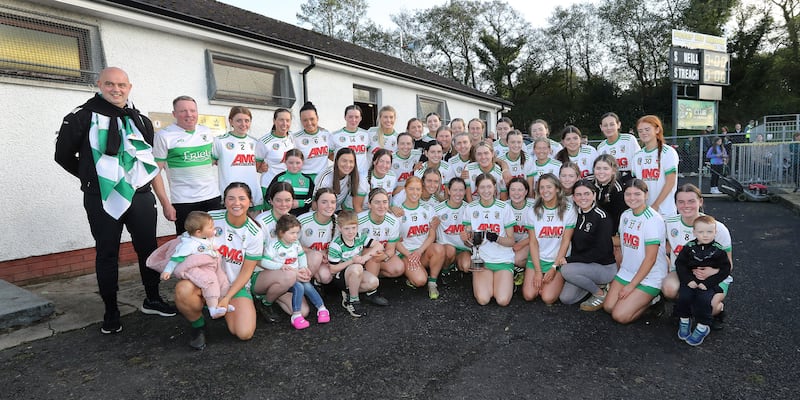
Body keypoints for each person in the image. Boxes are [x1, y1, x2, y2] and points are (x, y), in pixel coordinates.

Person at [54, 67, 176, 334]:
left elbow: (149, 162)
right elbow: (63, 156)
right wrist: (93, 179)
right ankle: (111, 310)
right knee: (107, 253)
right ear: (99, 84)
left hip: (140, 196)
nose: (116, 89)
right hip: (101, 197)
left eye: (122, 85)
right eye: (110, 84)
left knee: (147, 249)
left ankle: (153, 299)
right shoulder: (81, 117)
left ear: (129, 87)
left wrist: (163, 199)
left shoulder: (140, 120)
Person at [174, 182, 263, 349]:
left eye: (242, 198)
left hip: (234, 286)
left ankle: (229, 305)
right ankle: (198, 325)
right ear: (224, 201)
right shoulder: (211, 218)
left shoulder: (255, 233)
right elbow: (187, 241)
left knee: (244, 333)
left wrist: (228, 297)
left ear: (250, 201)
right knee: (183, 290)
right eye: (231, 198)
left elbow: (247, 271)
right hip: (205, 280)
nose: (236, 203)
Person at [662, 184, 733, 330]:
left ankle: (717, 312)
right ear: (675, 204)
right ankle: (682, 309)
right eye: (681, 202)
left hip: (714, 275)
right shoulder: (669, 223)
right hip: (684, 272)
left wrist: (711, 272)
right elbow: (662, 246)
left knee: (710, 306)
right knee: (669, 288)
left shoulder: (717, 228)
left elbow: (729, 264)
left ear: (700, 202)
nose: (686, 206)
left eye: (691, 201)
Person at [603, 179, 668, 324]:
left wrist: (631, 286)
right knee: (608, 307)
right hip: (628, 270)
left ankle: (654, 300)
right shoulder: (626, 215)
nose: (632, 198)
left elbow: (650, 259)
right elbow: (623, 241)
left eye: (637, 194)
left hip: (650, 274)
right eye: (628, 194)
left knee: (620, 316)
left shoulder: (652, 219)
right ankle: (641, 300)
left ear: (646, 195)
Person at [154, 95, 220, 234]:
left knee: (216, 239)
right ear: (174, 114)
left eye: (192, 110)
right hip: (184, 201)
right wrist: (165, 204)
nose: (189, 114)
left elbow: (215, 160)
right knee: (188, 243)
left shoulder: (206, 132)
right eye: (183, 111)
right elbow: (154, 173)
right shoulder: (164, 136)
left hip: (212, 198)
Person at [155, 211, 232, 319]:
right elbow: (176, 258)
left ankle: (223, 303)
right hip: (194, 268)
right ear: (198, 232)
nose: (213, 229)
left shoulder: (205, 238)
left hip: (209, 267)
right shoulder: (189, 244)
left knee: (223, 280)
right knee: (210, 282)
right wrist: (167, 270)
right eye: (210, 227)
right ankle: (213, 309)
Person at [261, 214, 330, 330]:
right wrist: (280, 266)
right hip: (283, 278)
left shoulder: (296, 244)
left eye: (297, 233)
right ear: (282, 233)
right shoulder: (274, 246)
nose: (296, 236)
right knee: (299, 287)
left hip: (296, 274)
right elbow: (264, 262)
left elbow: (301, 255)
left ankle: (321, 308)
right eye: (292, 233)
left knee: (307, 285)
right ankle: (296, 315)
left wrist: (303, 267)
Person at [252, 182, 307, 322]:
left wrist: (303, 269)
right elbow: (256, 258)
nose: (283, 204)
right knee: (288, 276)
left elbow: (297, 249)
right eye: (278, 200)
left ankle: (276, 292)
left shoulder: (291, 220)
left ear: (293, 201)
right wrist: (292, 272)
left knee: (304, 312)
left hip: (285, 272)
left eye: (288, 200)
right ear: (270, 200)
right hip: (261, 273)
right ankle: (265, 302)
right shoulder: (261, 222)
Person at [558, 180, 617, 311]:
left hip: (603, 267)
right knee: (566, 299)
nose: (583, 198)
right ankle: (594, 284)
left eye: (586, 194)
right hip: (583, 266)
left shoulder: (602, 217)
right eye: (578, 195)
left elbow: (600, 252)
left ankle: (600, 293)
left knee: (566, 270)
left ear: (594, 195)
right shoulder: (575, 214)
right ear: (573, 197)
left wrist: (570, 260)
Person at [674, 215, 731, 346]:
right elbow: (680, 265)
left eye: (709, 232)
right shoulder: (689, 247)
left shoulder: (719, 250)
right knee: (684, 297)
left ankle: (702, 326)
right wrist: (688, 280)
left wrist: (708, 283)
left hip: (709, 282)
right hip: (691, 280)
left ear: (715, 232)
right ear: (694, 232)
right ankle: (684, 320)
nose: (705, 235)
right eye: (701, 232)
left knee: (704, 300)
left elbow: (725, 270)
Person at [461, 173, 516, 306]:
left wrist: (496, 238)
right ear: (477, 189)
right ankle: (489, 281)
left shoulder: (504, 208)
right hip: (482, 260)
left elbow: (511, 241)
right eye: (482, 187)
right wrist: (465, 239)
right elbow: (469, 242)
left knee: (502, 300)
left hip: (502, 259)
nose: (486, 191)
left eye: (489, 187)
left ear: (494, 187)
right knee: (483, 299)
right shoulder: (471, 208)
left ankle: (508, 282)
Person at [521, 173, 576, 304]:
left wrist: (554, 267)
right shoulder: (533, 210)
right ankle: (536, 277)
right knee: (529, 295)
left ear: (557, 188)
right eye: (542, 188)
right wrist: (538, 272)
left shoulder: (568, 209)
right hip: (538, 258)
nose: (545, 191)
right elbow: (533, 243)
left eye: (549, 187)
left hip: (558, 259)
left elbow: (566, 241)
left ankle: (560, 279)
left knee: (548, 298)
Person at [396, 176, 446, 299]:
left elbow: (431, 234)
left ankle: (433, 282)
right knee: (420, 281)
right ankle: (412, 274)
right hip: (406, 254)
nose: (415, 193)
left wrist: (419, 251)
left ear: (422, 190)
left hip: (422, 251)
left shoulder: (428, 209)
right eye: (411, 189)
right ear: (405, 190)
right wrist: (409, 254)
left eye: (418, 189)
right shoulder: (398, 212)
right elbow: (395, 241)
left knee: (439, 249)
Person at [328, 210, 384, 317]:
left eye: (353, 228)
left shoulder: (359, 237)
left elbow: (379, 246)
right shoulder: (336, 245)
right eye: (347, 228)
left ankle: (349, 294)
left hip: (357, 271)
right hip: (342, 277)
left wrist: (364, 257)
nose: (351, 232)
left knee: (374, 282)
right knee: (357, 267)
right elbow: (333, 269)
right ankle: (353, 301)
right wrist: (352, 261)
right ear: (340, 228)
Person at [358, 188, 403, 305]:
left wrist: (385, 256)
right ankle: (371, 292)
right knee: (373, 253)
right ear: (369, 204)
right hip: (360, 256)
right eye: (377, 202)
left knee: (398, 268)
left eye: (384, 202)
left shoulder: (393, 222)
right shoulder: (359, 220)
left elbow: (391, 248)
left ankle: (370, 278)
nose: (381, 206)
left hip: (379, 255)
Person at [213, 106, 263, 211]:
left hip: (253, 194)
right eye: (239, 120)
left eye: (247, 121)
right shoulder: (219, 141)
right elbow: (210, 163)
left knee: (254, 225)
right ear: (231, 121)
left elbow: (261, 167)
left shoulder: (255, 142)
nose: (243, 124)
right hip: (231, 196)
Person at [632, 115, 679, 217]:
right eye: (640, 131)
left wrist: (656, 205)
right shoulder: (637, 156)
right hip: (644, 211)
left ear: (657, 129)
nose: (643, 133)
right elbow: (636, 185)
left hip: (664, 210)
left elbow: (670, 182)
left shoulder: (668, 152)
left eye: (647, 129)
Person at [298, 188, 338, 286]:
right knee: (316, 256)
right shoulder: (303, 220)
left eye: (333, 202)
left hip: (323, 260)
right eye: (324, 202)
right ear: (316, 203)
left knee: (326, 277)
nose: (329, 206)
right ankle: (301, 283)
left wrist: (328, 254)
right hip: (302, 258)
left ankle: (314, 282)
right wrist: (312, 251)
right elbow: (291, 244)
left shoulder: (338, 222)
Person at [434, 178, 472, 274]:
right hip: (446, 248)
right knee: (450, 251)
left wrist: (469, 237)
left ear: (464, 192)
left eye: (461, 190)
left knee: (466, 266)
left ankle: (456, 264)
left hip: (463, 248)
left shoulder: (469, 209)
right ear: (449, 191)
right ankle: (446, 270)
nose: (458, 193)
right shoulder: (437, 209)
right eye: (455, 190)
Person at [256, 108, 295, 196]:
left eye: (288, 120)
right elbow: (256, 165)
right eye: (281, 120)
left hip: (289, 185)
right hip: (270, 185)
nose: (285, 124)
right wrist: (260, 168)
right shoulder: (264, 142)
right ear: (274, 121)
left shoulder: (293, 137)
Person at [315, 147, 367, 212]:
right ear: (336, 161)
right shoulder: (326, 177)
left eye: (351, 162)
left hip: (337, 212)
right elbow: (315, 205)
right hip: (321, 214)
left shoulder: (352, 176)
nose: (348, 165)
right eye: (344, 161)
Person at [268, 149, 315, 216]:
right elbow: (268, 197)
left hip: (302, 216)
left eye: (298, 163)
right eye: (291, 163)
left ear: (303, 162)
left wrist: (300, 203)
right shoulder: (279, 178)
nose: (294, 166)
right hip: (281, 216)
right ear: (285, 162)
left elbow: (313, 199)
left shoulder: (307, 179)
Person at [596, 112, 640, 183]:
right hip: (612, 182)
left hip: (631, 180)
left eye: (612, 124)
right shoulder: (601, 147)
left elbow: (638, 162)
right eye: (605, 125)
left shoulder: (629, 139)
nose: (608, 128)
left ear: (618, 125)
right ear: (601, 127)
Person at [506, 177, 535, 285]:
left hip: (529, 241)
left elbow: (539, 232)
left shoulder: (534, 205)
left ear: (526, 191)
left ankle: (524, 270)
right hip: (510, 242)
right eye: (513, 189)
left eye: (520, 190)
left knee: (517, 259)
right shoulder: (504, 206)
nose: (516, 193)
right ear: (508, 191)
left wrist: (520, 244)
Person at [293, 101, 331, 181]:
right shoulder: (295, 138)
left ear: (317, 118)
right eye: (305, 120)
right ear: (301, 120)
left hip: (323, 179)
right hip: (303, 179)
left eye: (312, 119)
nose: (309, 123)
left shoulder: (326, 134)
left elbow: (332, 154)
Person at [329, 105, 371, 177]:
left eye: (356, 117)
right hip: (343, 175)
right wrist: (343, 164)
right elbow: (329, 154)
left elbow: (368, 152)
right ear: (345, 117)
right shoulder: (335, 135)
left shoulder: (366, 134)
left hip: (361, 175)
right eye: (350, 117)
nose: (353, 120)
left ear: (360, 118)